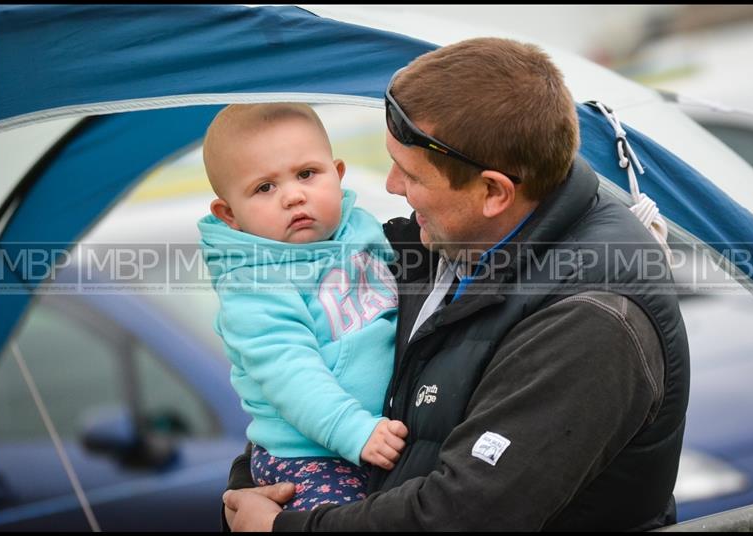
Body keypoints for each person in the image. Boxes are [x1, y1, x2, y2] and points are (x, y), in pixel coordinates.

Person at [221, 38, 690, 531]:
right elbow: (308, 373)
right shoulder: (436, 244)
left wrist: (282, 527)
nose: (391, 187)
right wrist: (253, 492)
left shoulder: (594, 322)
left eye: (411, 174)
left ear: (493, 191)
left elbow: (465, 514)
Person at [198, 103, 409, 511]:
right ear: (229, 215)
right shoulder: (254, 283)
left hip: (376, 436)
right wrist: (354, 430)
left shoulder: (362, 233)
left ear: (338, 174)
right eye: (264, 188)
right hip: (309, 456)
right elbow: (290, 374)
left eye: (307, 174)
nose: (294, 196)